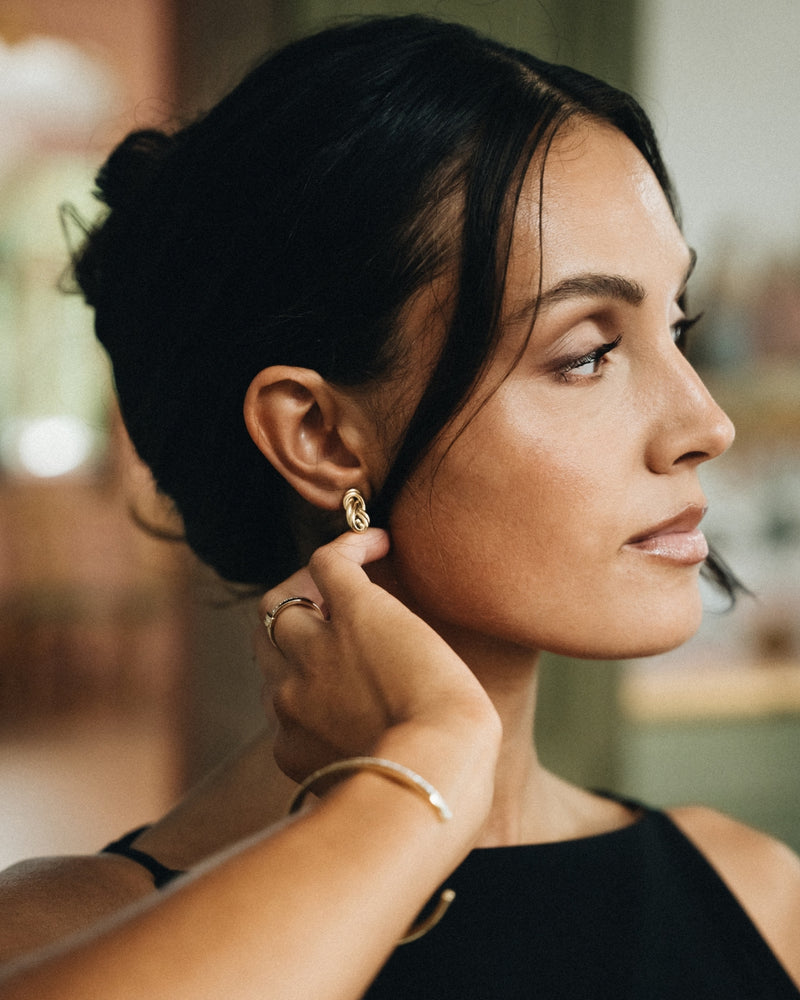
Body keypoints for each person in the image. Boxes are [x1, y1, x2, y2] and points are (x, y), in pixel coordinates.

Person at [1, 13, 798, 998]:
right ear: (321, 436)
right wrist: (429, 765)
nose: (704, 423)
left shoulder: (756, 898)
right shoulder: (56, 936)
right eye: (584, 351)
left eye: (675, 326)